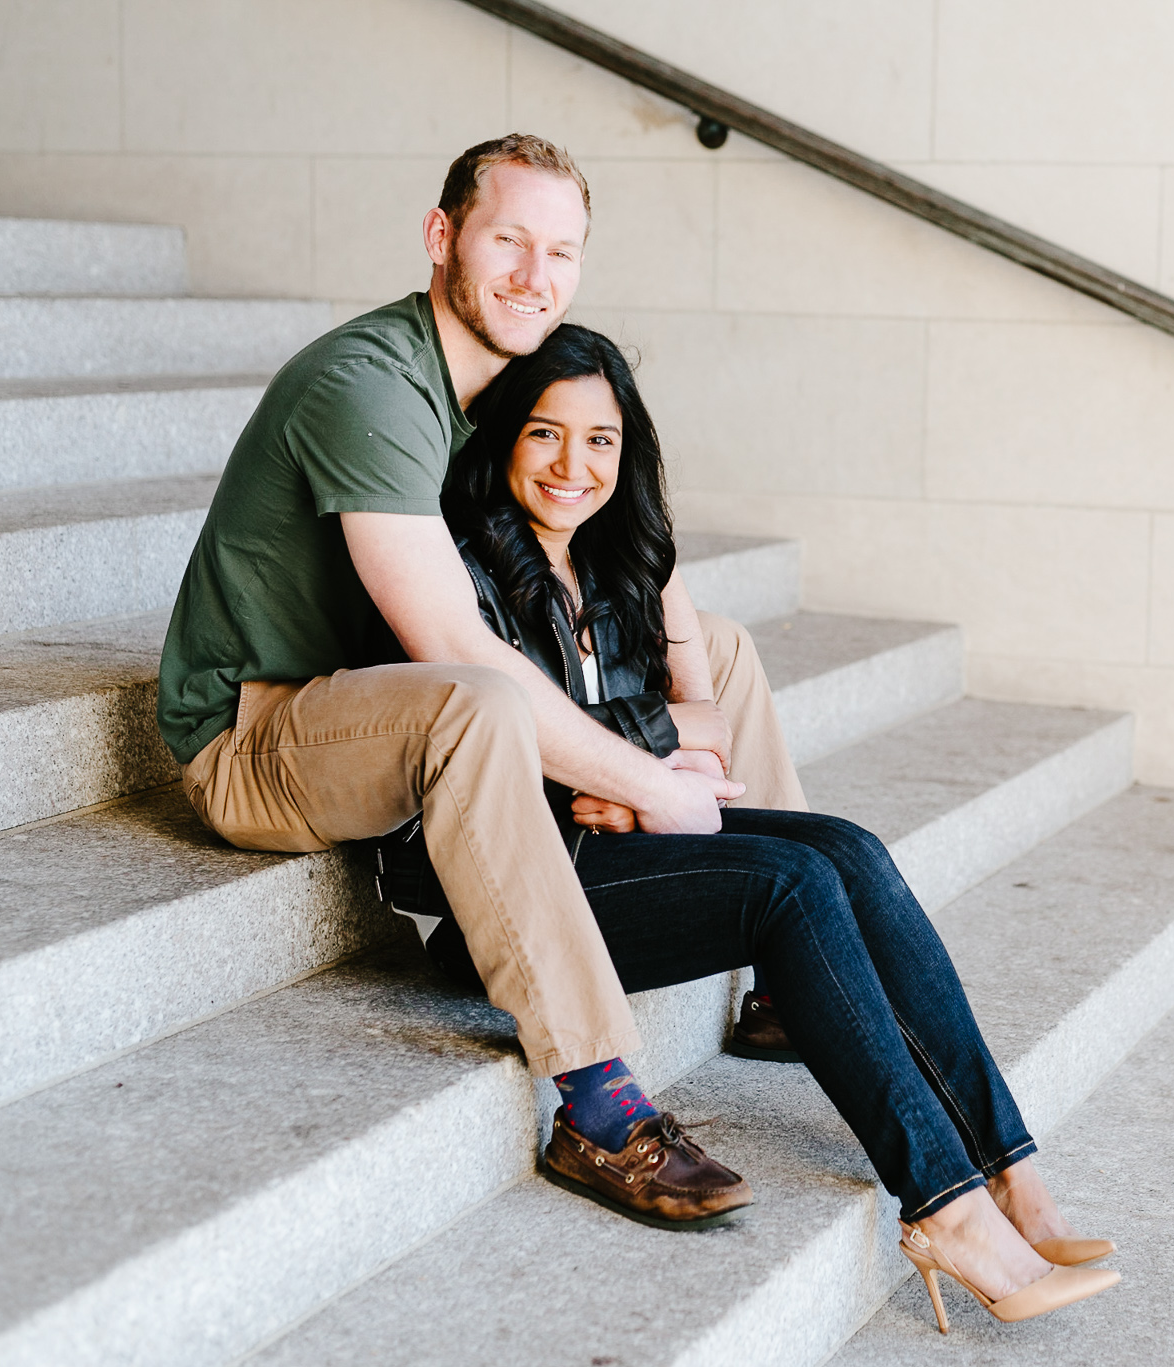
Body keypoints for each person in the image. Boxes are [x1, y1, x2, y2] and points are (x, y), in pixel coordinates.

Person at [372, 322, 1120, 1327]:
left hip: (617, 848)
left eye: (600, 440)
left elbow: (693, 715)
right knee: (790, 885)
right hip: (514, 898)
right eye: (545, 434)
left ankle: (1010, 1175)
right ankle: (945, 1205)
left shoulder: (615, 560)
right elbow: (513, 745)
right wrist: (631, 763)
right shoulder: (461, 569)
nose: (572, 465)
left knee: (847, 846)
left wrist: (630, 765)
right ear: (503, 437)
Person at [156, 135, 746, 1192]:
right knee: (479, 700)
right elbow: (455, 649)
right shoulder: (372, 384)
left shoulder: (506, 378)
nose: (535, 277)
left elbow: (623, 545)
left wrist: (682, 713)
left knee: (726, 649)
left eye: (560, 252)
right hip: (258, 736)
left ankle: (771, 933)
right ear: (442, 238)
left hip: (372, 702)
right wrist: (650, 776)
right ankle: (599, 1103)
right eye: (508, 240)